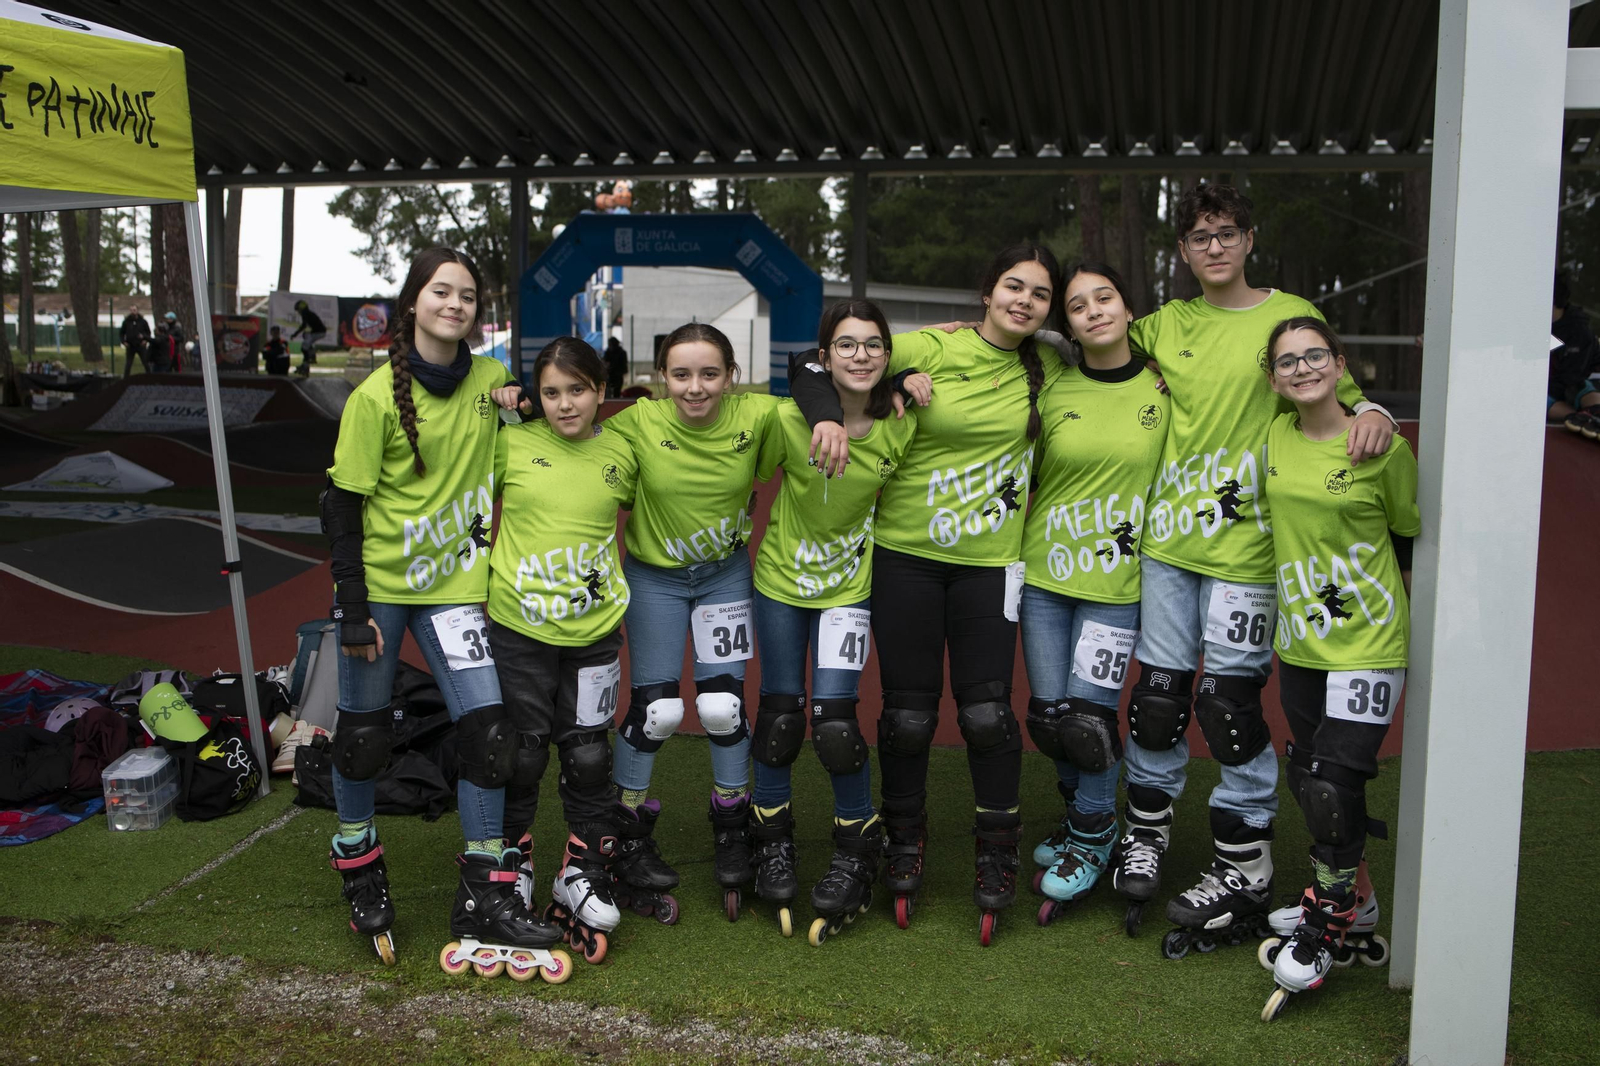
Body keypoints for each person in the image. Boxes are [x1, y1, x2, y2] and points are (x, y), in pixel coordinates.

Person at [1041, 184, 1395, 958]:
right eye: (1199, 237)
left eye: (1226, 233)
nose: (1214, 247)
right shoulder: (1165, 325)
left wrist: (1380, 415)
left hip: (1250, 557)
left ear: (1249, 238)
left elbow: (1349, 395)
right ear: (1182, 252)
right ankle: (1144, 839)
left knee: (1228, 707)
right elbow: (1087, 331)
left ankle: (1245, 868)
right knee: (1159, 703)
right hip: (1167, 548)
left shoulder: (1289, 314)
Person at [793, 243, 1067, 943]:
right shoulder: (929, 346)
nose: (1024, 302)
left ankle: (997, 853)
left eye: (1039, 294)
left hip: (991, 565)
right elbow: (817, 361)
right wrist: (827, 413)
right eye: (1013, 285)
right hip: (905, 557)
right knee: (910, 715)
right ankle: (904, 839)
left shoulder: (1053, 364)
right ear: (985, 290)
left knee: (985, 715)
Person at [319, 247, 569, 982]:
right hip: (383, 589)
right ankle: (359, 861)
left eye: (467, 297)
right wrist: (354, 608)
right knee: (364, 738)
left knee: (492, 736)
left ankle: (486, 888)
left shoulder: (491, 379)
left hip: (457, 587)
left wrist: (517, 404)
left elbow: (521, 424)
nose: (455, 305)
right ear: (413, 303)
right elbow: (341, 505)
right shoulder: (372, 400)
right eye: (441, 293)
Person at [1255, 317, 1416, 1020]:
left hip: (1368, 645)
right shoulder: (1273, 440)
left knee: (1332, 786)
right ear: (1273, 379)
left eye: (1314, 355)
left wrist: (1377, 412)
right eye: (1287, 362)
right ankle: (1358, 896)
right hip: (1300, 644)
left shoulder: (1381, 447)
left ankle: (1325, 926)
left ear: (1340, 363)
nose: (1301, 369)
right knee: (1309, 779)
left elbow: (1411, 537)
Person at [747, 299, 917, 944]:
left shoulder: (902, 421)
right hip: (781, 586)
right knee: (781, 716)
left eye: (874, 344)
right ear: (823, 356)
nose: (862, 355)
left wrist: (911, 382)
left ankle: (856, 846)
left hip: (849, 589)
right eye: (846, 345)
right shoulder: (788, 418)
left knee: (835, 725)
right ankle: (771, 840)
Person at [601, 323, 781, 921]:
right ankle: (625, 828)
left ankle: (732, 824)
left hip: (724, 577)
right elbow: (565, 429)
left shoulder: (759, 417)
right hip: (655, 578)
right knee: (656, 710)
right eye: (681, 374)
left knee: (723, 707)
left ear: (732, 376)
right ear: (660, 379)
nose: (696, 388)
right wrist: (510, 403)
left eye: (710, 374)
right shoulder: (637, 423)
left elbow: (823, 380)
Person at [1018, 264, 1169, 930]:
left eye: (1105, 297)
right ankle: (1091, 816)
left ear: (1129, 307)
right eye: (1077, 306)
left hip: (1117, 588)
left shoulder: (1168, 387)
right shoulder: (1053, 382)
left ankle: (1090, 838)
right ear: (1068, 325)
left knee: (1089, 721)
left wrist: (1362, 407)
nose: (1094, 311)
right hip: (1045, 579)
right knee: (1051, 720)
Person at [485, 337, 639, 963]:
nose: (565, 403)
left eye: (577, 390)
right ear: (535, 396)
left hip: (595, 635)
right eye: (551, 392)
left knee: (588, 757)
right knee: (520, 756)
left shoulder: (624, 452)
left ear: (601, 390)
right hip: (518, 631)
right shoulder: (509, 443)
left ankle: (579, 873)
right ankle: (512, 867)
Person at [1549, 274, 1600, 440]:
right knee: (1537, 398)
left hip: (1582, 381)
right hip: (1555, 385)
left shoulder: (1579, 331)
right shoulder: (1537, 326)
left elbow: (1573, 377)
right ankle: (1582, 417)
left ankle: (1590, 416)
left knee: (1584, 389)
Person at [292, 299, 327, 377]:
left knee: (304, 348)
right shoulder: (308, 314)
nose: (298, 312)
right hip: (319, 332)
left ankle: (308, 361)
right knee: (306, 339)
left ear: (301, 309)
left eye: (298, 310)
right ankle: (311, 355)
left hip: (319, 332)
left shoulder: (306, 314)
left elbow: (303, 326)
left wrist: (295, 334)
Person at [119, 310, 151, 378]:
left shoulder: (143, 321)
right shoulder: (126, 322)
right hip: (130, 346)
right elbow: (121, 333)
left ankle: (150, 376)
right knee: (128, 364)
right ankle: (126, 378)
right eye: (132, 310)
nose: (133, 312)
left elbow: (148, 332)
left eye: (135, 310)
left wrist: (145, 340)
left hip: (141, 345)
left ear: (137, 311)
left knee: (145, 362)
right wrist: (123, 342)